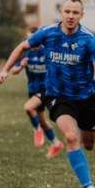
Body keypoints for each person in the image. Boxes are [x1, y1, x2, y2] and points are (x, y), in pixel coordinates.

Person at [0, 0, 95, 188]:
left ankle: (79, 136)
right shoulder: (47, 32)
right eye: (67, 11)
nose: (71, 16)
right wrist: (5, 69)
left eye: (75, 13)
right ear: (61, 12)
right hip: (57, 96)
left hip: (86, 97)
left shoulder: (88, 39)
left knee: (88, 144)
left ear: (81, 15)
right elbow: (22, 46)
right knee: (71, 137)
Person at [11, 27, 65, 158]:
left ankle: (37, 130)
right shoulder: (25, 53)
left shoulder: (46, 52)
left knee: (28, 108)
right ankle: (56, 143)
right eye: (30, 39)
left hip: (46, 89)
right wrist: (21, 66)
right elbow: (13, 71)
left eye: (35, 40)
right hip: (33, 90)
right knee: (43, 121)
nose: (33, 42)